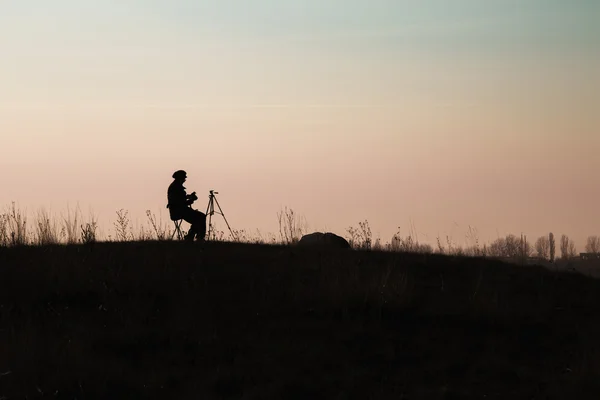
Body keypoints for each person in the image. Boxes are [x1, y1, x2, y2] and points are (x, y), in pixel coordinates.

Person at [167, 170, 206, 241]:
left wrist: (190, 197)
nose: (184, 180)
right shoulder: (176, 188)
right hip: (179, 212)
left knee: (199, 218)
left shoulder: (176, 187)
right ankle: (197, 237)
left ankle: (191, 236)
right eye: (183, 178)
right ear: (180, 178)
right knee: (200, 217)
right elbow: (179, 202)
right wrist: (191, 200)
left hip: (180, 210)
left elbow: (181, 199)